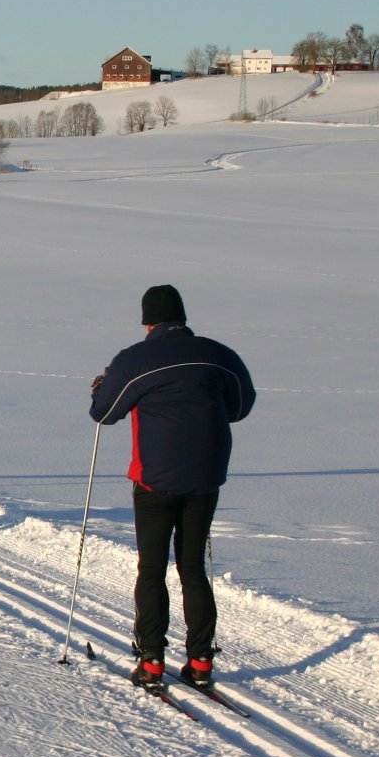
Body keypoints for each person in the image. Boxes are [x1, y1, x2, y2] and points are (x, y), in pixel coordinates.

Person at [89, 284, 255, 691]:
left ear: (148, 321)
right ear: (183, 317)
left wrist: (100, 387)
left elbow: (104, 413)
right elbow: (241, 406)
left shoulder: (136, 359)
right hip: (205, 478)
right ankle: (199, 660)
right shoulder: (219, 355)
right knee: (193, 568)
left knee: (151, 568)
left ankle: (151, 660)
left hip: (154, 480)